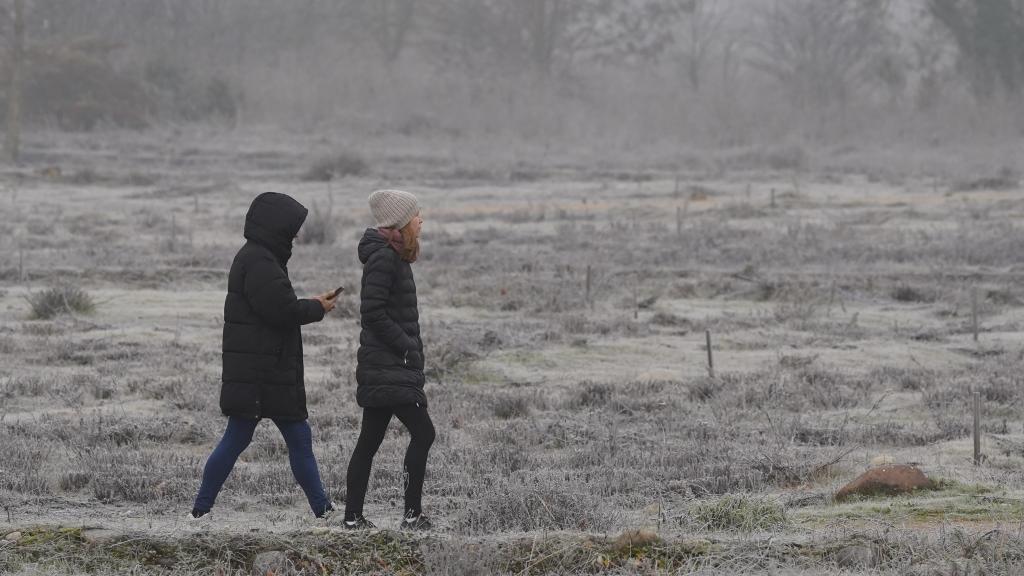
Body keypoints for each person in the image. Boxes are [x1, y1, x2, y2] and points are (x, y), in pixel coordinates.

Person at [188, 192, 339, 521]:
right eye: (292, 229)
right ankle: (200, 511)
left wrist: (313, 303)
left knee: (269, 438)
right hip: (263, 374)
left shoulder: (260, 258)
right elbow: (282, 311)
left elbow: (276, 305)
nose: (295, 236)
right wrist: (317, 307)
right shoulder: (259, 262)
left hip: (264, 370)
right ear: (276, 227)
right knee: (261, 439)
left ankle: (323, 510)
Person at [343, 189, 434, 530]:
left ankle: (352, 518)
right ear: (400, 222)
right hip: (389, 365)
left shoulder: (394, 256)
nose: (421, 219)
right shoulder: (384, 258)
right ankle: (411, 516)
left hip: (387, 365)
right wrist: (406, 346)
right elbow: (373, 312)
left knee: (368, 442)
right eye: (416, 214)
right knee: (424, 433)